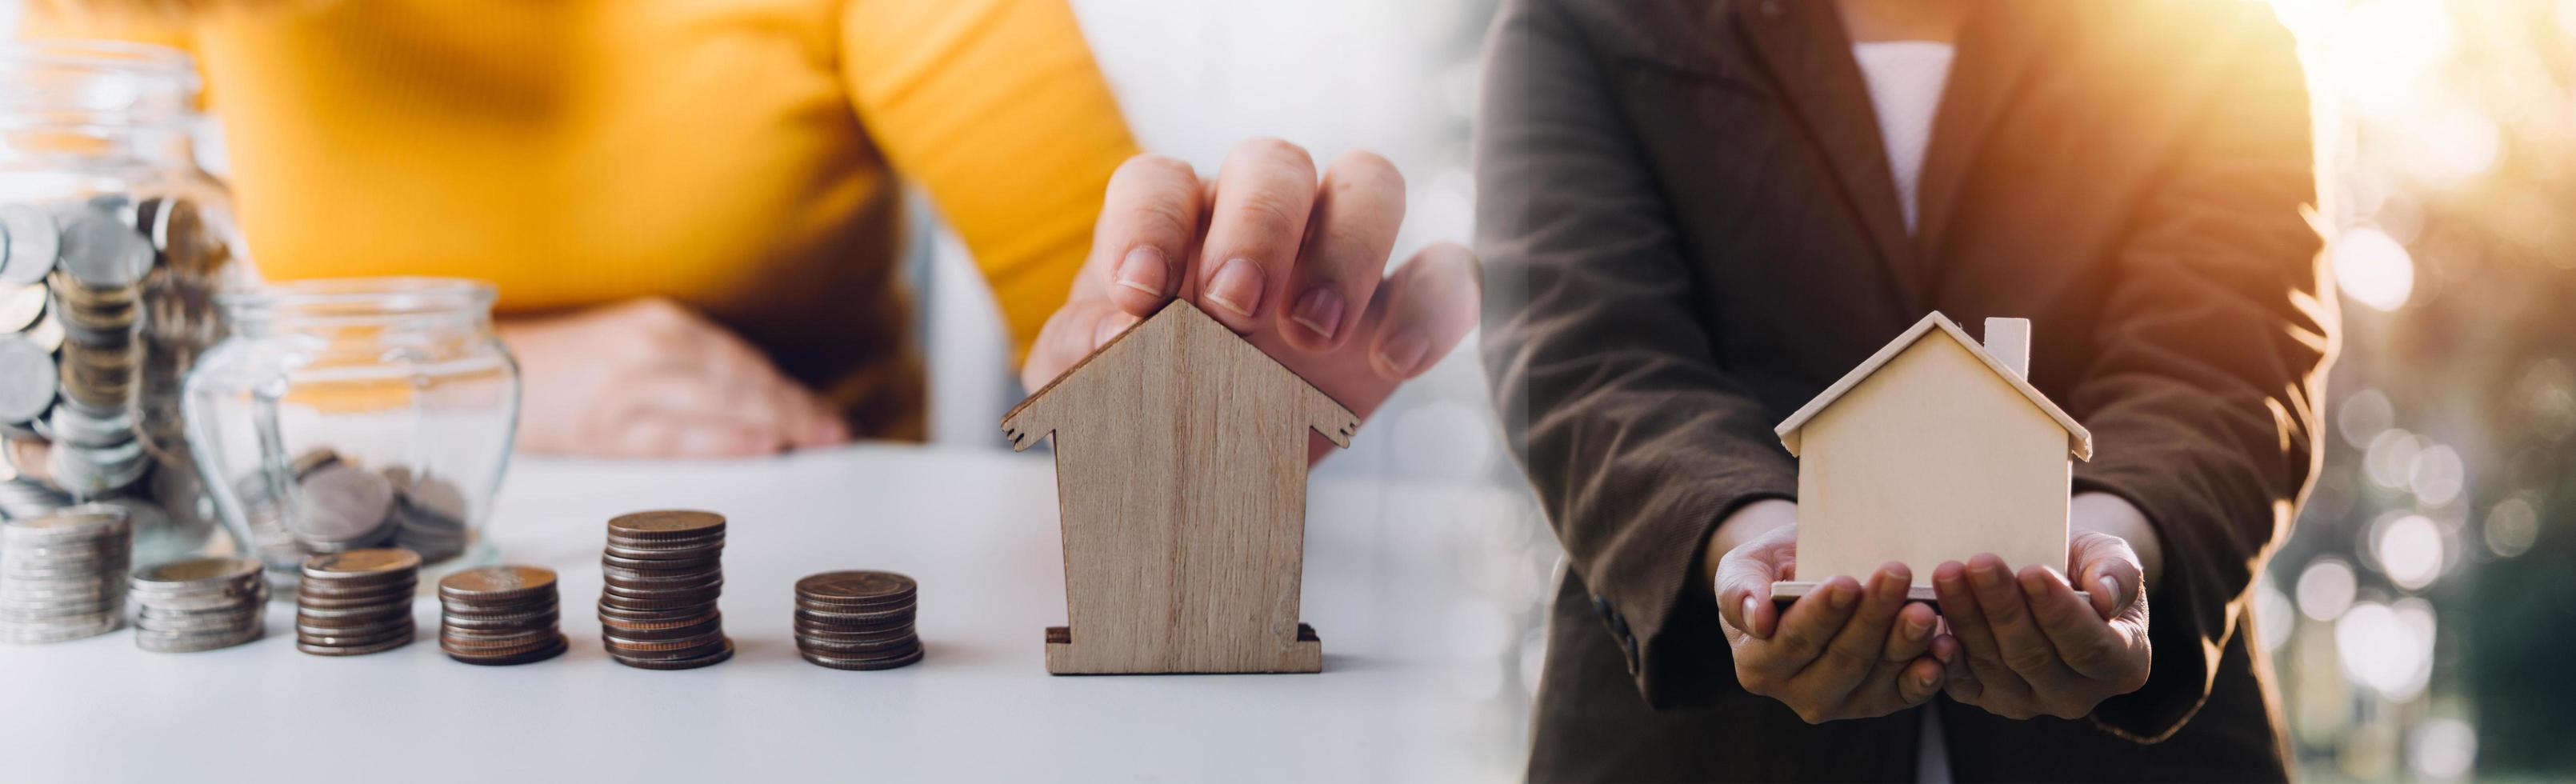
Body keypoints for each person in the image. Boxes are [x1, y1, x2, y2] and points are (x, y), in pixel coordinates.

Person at [1476, 0, 2334, 780]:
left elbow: (2228, 349)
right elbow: (1588, 349)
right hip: (1701, 746)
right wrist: (1753, 540)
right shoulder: (1584, 20)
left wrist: (2110, 543)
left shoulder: (2211, 36)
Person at [26, 0, 1478, 457]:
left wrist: (1208, 386)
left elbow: (1111, 327)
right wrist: (481, 387)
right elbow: (40, 365)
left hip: (805, 658)